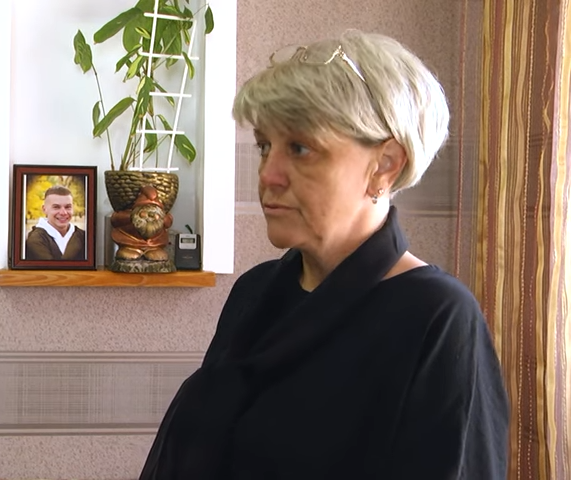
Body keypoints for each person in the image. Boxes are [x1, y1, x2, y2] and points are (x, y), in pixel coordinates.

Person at [139, 31, 510, 479]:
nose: (268, 174)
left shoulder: (438, 319)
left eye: (300, 148)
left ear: (385, 165)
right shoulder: (254, 292)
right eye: (264, 145)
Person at [25, 185, 86, 260]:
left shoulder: (83, 236)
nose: (63, 213)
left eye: (68, 207)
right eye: (56, 207)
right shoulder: (35, 239)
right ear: (44, 209)